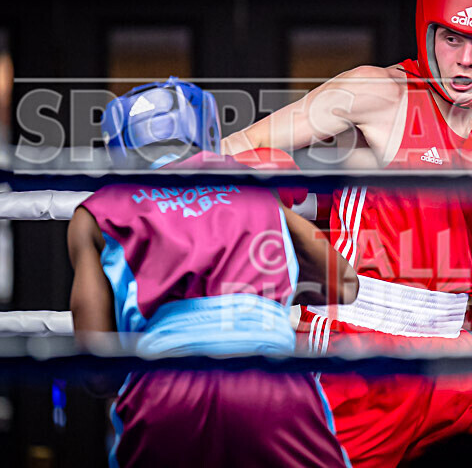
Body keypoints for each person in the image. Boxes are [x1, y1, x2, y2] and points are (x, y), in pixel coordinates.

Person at [221, 0, 472, 467]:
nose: (464, 59)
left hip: (450, 357)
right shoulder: (380, 92)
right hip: (359, 342)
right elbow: (241, 144)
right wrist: (268, 178)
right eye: (452, 39)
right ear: (429, 32)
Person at [69, 79, 357, 467]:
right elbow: (345, 283)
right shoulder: (250, 181)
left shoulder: (97, 210)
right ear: (206, 130)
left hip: (163, 388)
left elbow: (97, 371)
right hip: (269, 379)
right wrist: (261, 297)